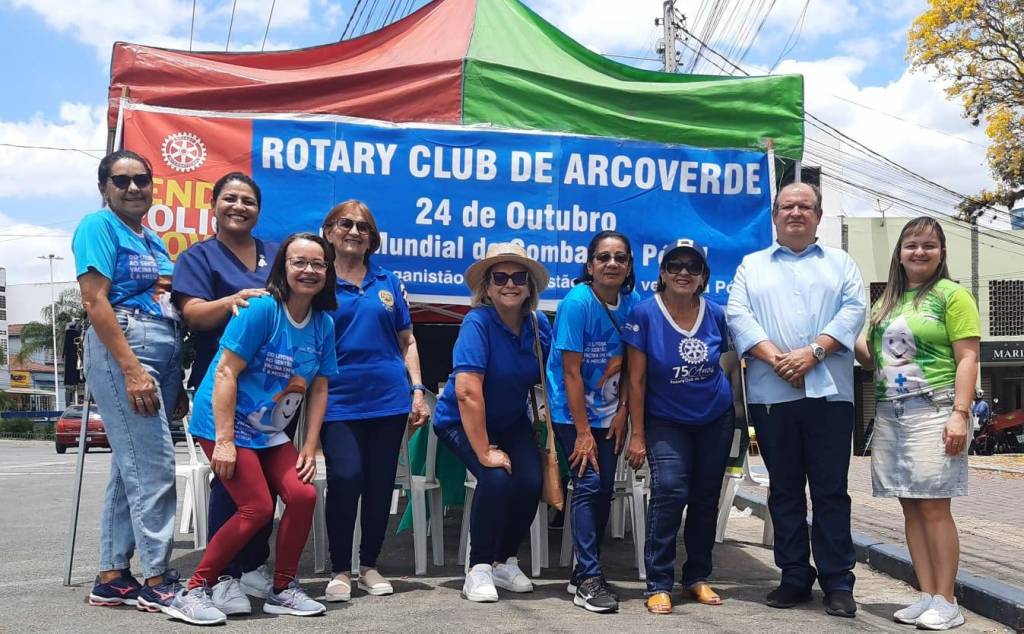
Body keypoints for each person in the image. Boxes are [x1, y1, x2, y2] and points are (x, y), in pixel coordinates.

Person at [177, 232, 339, 624]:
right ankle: (194, 589)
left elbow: (319, 387)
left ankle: (282, 589)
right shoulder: (262, 309)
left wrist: (309, 446)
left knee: (302, 495)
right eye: (299, 262)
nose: (309, 270)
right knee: (257, 507)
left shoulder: (323, 324)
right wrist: (225, 441)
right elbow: (225, 373)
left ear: (327, 272)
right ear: (284, 267)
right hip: (223, 422)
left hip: (267, 429)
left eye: (318, 264)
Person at [726, 182, 866, 618]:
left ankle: (838, 581)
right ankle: (793, 575)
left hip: (831, 395)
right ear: (775, 216)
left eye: (806, 206)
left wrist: (814, 352)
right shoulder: (752, 266)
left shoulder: (841, 263)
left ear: (818, 216)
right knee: (784, 490)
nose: (796, 212)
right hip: (772, 394)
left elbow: (853, 311)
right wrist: (777, 359)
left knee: (830, 491)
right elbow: (738, 316)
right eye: (787, 206)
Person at [854, 217, 979, 630]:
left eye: (929, 245)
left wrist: (960, 413)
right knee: (909, 504)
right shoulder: (887, 300)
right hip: (890, 411)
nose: (919, 252)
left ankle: (948, 600)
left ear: (942, 253)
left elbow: (968, 358)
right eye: (911, 245)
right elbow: (873, 360)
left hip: (935, 408)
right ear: (900, 253)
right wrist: (852, 334)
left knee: (934, 505)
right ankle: (927, 594)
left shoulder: (952, 295)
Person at [74, 150, 185, 614]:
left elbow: (164, 297)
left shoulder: (150, 237)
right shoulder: (98, 226)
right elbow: (95, 301)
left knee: (129, 469)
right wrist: (132, 368)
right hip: (126, 345)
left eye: (141, 179)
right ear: (104, 187)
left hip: (159, 346)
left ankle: (113, 577)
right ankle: (157, 580)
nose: (133, 187)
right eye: (121, 181)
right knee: (154, 467)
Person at [172, 172, 279, 614]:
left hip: (270, 390)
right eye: (230, 198)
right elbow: (194, 314)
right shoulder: (199, 257)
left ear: (259, 209)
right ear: (213, 205)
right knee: (230, 477)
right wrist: (231, 301)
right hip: (223, 383)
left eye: (248, 201)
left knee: (268, 479)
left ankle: (254, 565)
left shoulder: (276, 254)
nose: (239, 206)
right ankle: (221, 577)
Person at [319, 200, 430, 602]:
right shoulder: (318, 279)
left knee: (381, 484)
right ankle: (339, 569)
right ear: (329, 231)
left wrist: (417, 390)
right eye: (346, 224)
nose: (354, 232)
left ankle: (369, 565)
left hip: (389, 400)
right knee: (346, 478)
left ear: (372, 238)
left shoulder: (388, 281)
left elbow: (408, 340)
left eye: (363, 227)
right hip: (337, 400)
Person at [623, 238, 742, 615]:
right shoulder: (644, 314)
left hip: (715, 419)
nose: (684, 273)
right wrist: (638, 433)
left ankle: (697, 576)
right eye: (675, 265)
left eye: (693, 267)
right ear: (662, 273)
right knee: (670, 491)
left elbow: (730, 363)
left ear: (704, 276)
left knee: (706, 498)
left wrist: (739, 411)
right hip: (666, 420)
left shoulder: (716, 313)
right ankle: (659, 582)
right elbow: (636, 380)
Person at [432, 242, 551, 603]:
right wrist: (484, 452)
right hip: (459, 420)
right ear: (487, 286)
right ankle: (479, 567)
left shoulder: (538, 324)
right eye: (500, 277)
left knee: (530, 481)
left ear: (530, 286)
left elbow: (552, 374)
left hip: (510, 419)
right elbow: (467, 392)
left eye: (519, 277)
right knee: (496, 478)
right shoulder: (477, 322)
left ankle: (504, 560)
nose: (510, 284)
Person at [546, 231, 638, 614]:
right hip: (572, 414)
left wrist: (623, 411)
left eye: (620, 257)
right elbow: (570, 373)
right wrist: (582, 432)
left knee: (603, 490)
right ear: (590, 265)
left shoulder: (633, 304)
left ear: (629, 266)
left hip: (610, 414)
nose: (611, 264)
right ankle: (588, 578)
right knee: (587, 485)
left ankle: (583, 570)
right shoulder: (576, 303)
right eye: (603, 257)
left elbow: (633, 365)